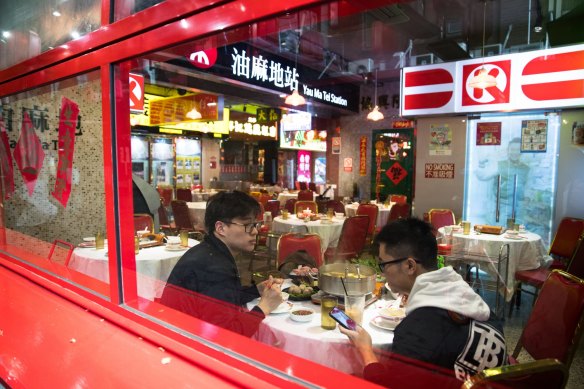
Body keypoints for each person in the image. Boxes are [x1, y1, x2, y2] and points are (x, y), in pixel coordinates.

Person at [339, 218, 506, 383]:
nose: (383, 273)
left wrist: (366, 350)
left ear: (410, 266)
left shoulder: (415, 331)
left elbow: (387, 385)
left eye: (384, 264)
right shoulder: (469, 298)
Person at [160, 190, 283, 336]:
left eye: (255, 225)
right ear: (221, 228)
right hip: (183, 345)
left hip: (177, 332)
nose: (255, 232)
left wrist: (257, 290)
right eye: (248, 225)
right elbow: (225, 336)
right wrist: (264, 307)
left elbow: (224, 299)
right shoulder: (214, 268)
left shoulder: (208, 251)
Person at [476, 138, 530, 225]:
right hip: (501, 207)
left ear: (521, 152)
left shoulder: (526, 168)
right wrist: (481, 163)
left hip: (519, 208)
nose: (515, 152)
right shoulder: (499, 165)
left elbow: (527, 186)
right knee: (500, 233)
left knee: (516, 235)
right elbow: (483, 176)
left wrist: (527, 199)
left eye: (517, 150)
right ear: (508, 150)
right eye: (512, 149)